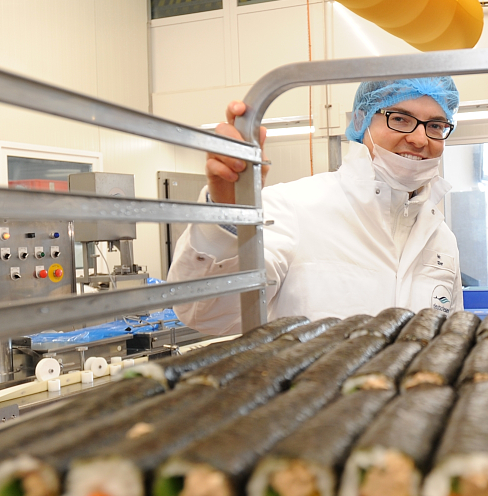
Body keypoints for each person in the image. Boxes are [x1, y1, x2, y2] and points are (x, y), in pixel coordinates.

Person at [168, 78, 464, 333]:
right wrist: (228, 214)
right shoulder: (293, 208)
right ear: (361, 121)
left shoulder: (441, 237)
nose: (419, 138)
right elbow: (205, 314)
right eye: (399, 118)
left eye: (436, 126)